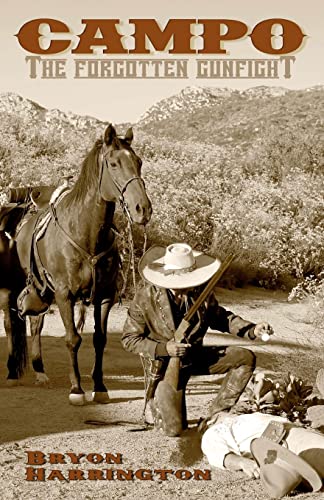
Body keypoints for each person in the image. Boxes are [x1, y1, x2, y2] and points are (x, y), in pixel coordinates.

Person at [122, 243, 274, 435]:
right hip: (164, 365)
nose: (185, 286)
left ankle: (216, 417)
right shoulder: (145, 297)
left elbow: (221, 318)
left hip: (194, 357)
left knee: (244, 357)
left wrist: (252, 329)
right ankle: (155, 401)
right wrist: (164, 349)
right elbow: (129, 339)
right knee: (174, 430)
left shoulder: (201, 292)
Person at [201, 410, 324, 498]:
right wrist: (243, 463)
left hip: (296, 433)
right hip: (282, 448)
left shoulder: (246, 416)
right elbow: (220, 456)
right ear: (211, 420)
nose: (229, 411)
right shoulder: (213, 431)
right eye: (222, 412)